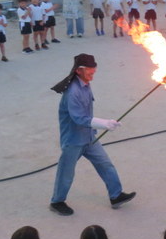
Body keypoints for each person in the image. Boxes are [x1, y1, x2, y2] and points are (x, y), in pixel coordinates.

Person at [48, 53, 135, 216]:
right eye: (90, 70)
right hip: (73, 140)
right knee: (66, 172)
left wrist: (103, 124)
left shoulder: (86, 85)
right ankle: (57, 201)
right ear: (80, 70)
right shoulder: (73, 92)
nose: (93, 73)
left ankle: (116, 196)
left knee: (105, 164)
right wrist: (104, 123)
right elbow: (79, 118)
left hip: (88, 137)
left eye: (94, 70)